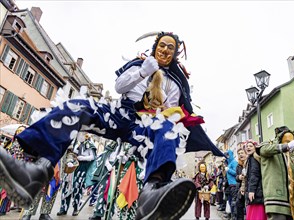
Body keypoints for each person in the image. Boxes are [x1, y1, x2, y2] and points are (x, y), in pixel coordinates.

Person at [0, 31, 225, 220]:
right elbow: (119, 87)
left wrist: (162, 103)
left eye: (170, 47)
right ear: (155, 46)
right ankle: (34, 172)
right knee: (78, 107)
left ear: (175, 54)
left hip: (147, 125)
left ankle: (151, 193)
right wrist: (143, 71)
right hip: (120, 115)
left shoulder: (176, 82)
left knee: (168, 129)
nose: (165, 49)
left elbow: (175, 113)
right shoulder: (139, 64)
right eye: (162, 45)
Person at [258, 126, 294, 220]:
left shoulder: (291, 155)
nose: (290, 144)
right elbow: (264, 150)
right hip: (276, 200)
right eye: (287, 141)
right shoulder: (269, 146)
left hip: (292, 200)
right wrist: (286, 146)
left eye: (292, 141)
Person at [57, 133, 97, 216]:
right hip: (71, 167)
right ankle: (63, 208)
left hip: (81, 168)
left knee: (77, 188)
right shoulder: (74, 142)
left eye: (82, 134)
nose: (80, 136)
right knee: (66, 187)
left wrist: (83, 158)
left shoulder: (90, 144)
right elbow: (69, 153)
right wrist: (69, 161)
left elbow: (93, 157)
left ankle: (76, 208)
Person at [242, 139, 267, 220]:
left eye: (250, 146)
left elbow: (254, 175)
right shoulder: (249, 159)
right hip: (256, 193)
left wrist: (251, 191)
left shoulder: (253, 159)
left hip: (256, 193)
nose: (248, 148)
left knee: (256, 216)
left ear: (255, 148)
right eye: (247, 146)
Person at [225, 149, 238, 218]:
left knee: (234, 202)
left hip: (234, 185)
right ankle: (232, 215)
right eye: (226, 155)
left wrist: (228, 170)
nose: (227, 156)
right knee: (230, 201)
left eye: (228, 155)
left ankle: (234, 216)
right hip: (229, 185)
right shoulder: (229, 163)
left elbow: (236, 173)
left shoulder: (234, 162)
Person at [235, 147, 247, 220]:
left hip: (248, 189)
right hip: (240, 189)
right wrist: (239, 177)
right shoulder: (238, 166)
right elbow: (236, 177)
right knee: (239, 206)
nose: (240, 155)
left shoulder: (249, 163)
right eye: (239, 154)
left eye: (242, 153)